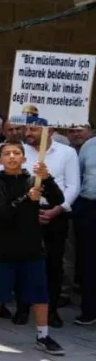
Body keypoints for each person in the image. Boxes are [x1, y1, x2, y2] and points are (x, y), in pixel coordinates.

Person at [0, 142, 65, 354]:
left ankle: (43, 336)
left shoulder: (34, 180)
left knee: (39, 294)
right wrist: (28, 198)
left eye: (16, 153)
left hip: (32, 246)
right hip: (4, 249)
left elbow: (58, 199)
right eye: (6, 154)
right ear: (0, 160)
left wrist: (48, 178)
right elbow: (3, 214)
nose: (11, 157)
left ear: (24, 159)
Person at [18, 125, 80, 327]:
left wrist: (58, 209)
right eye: (26, 129)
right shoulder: (18, 151)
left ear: (50, 130)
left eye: (33, 130)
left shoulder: (67, 153)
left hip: (56, 214)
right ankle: (22, 307)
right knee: (24, 261)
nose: (28, 134)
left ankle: (51, 310)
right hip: (26, 214)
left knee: (54, 264)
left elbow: (73, 186)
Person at [78, 134, 96, 325]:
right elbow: (80, 174)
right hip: (90, 207)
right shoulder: (89, 146)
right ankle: (89, 310)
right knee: (89, 261)